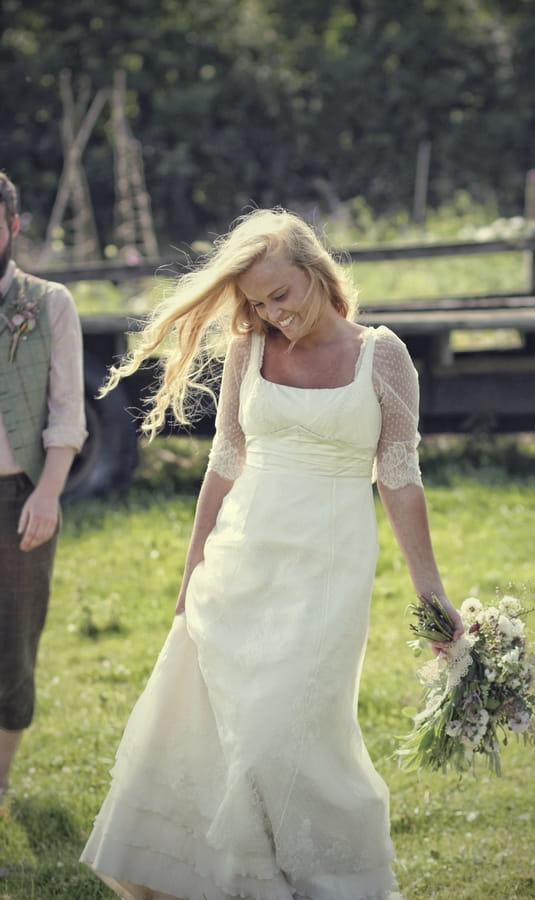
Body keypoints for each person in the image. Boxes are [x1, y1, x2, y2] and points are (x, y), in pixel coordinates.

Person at [81, 207, 463, 900]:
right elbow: (224, 461)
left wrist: (430, 591)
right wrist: (191, 572)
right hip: (242, 558)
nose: (272, 314)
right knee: (224, 728)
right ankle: (237, 879)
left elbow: (400, 476)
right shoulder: (248, 350)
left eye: (280, 295)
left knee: (284, 735)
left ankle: (324, 877)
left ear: (316, 272)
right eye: (256, 303)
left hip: (326, 566)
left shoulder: (382, 355)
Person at [0, 172, 87, 801]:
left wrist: (49, 492)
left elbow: (66, 412)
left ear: (12, 225)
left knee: (13, 644)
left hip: (19, 497)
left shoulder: (48, 303)